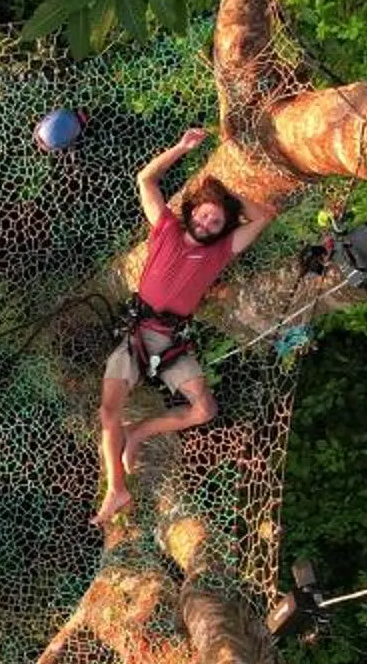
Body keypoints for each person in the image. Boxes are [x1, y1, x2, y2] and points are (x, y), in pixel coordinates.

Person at [94, 126, 276, 523]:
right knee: (108, 413)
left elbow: (263, 217)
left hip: (171, 342)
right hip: (137, 335)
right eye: (205, 215)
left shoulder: (220, 252)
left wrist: (228, 193)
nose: (208, 223)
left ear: (222, 229)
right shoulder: (165, 230)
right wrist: (180, 148)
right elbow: (146, 179)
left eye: (217, 221)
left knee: (205, 409)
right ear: (192, 212)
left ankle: (140, 431)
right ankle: (116, 488)